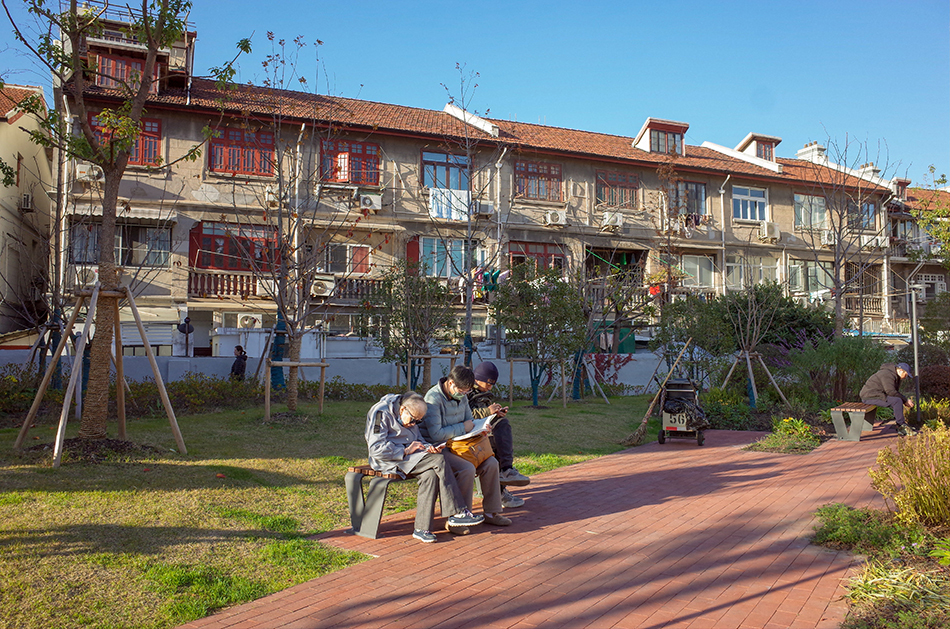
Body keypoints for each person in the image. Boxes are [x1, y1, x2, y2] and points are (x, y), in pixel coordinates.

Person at [365, 391, 484, 543]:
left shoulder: (412, 413)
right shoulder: (380, 413)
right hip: (389, 460)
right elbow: (376, 449)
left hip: (411, 457)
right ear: (402, 409)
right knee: (439, 461)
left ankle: (422, 529)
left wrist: (428, 448)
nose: (413, 424)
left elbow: (418, 439)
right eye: (412, 420)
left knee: (430, 475)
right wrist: (405, 450)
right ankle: (457, 512)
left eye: (418, 421)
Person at [421, 365, 511, 526]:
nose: (463, 395)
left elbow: (470, 420)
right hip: (439, 448)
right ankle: (460, 516)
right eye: (461, 391)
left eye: (466, 392)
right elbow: (436, 434)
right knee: (467, 468)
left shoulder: (462, 396)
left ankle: (492, 512)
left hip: (461, 444)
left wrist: (481, 428)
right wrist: (464, 427)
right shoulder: (433, 399)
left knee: (491, 463)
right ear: (450, 383)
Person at [468, 361, 530, 509]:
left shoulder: (483, 393)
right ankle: (506, 473)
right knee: (496, 440)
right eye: (488, 383)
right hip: (468, 434)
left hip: (483, 430)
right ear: (477, 379)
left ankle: (504, 477)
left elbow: (483, 415)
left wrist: (495, 413)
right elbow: (465, 414)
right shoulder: (466, 392)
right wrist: (487, 411)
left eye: (492, 384)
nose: (489, 387)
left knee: (501, 429)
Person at [860, 362, 916, 436]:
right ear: (900, 370)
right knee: (897, 401)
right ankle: (901, 426)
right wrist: (905, 400)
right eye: (906, 374)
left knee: (897, 400)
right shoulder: (887, 374)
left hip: (876, 395)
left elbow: (893, 392)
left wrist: (904, 400)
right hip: (869, 396)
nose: (905, 377)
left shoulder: (894, 375)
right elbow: (890, 392)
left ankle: (901, 425)